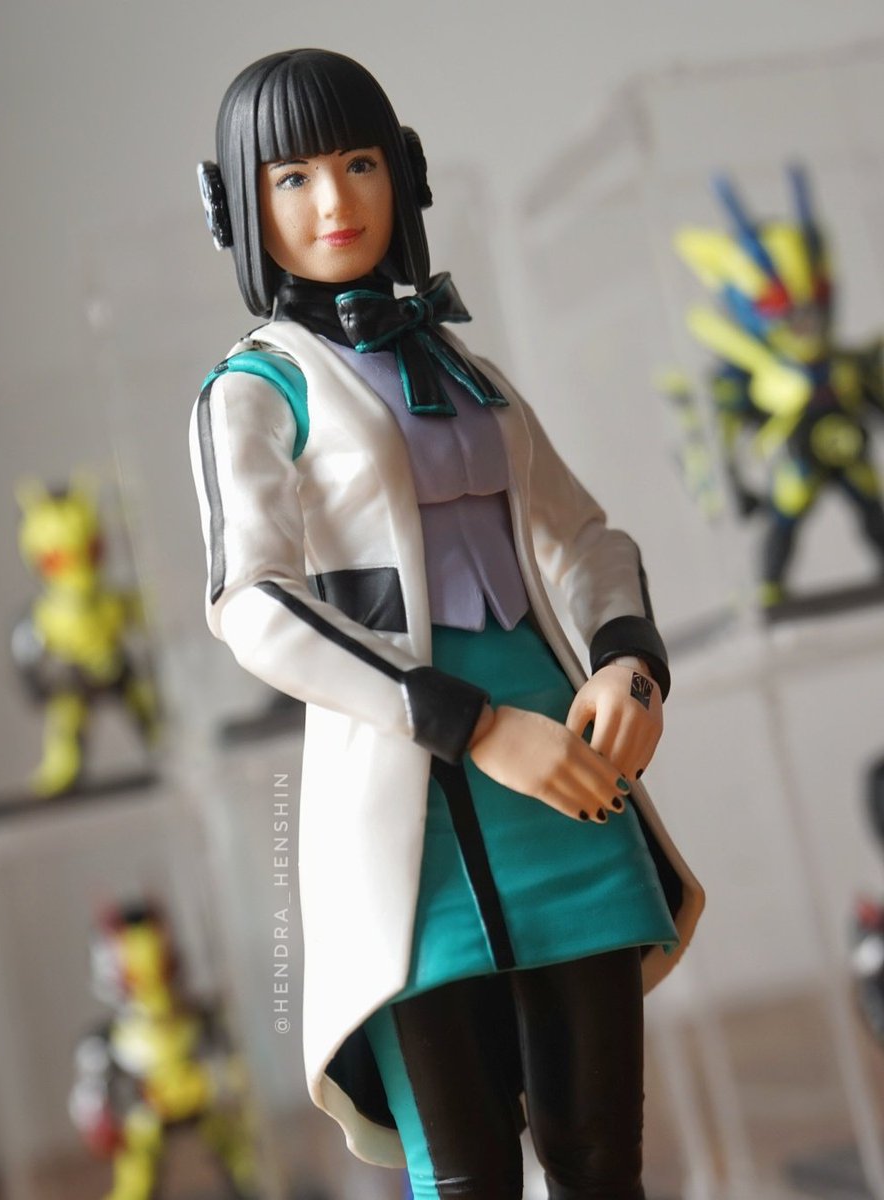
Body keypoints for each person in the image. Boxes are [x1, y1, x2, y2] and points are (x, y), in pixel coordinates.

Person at [190, 48, 703, 1200]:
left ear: (402, 171)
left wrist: (628, 661)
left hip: (565, 774)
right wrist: (467, 723)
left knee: (601, 1156)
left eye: (360, 163)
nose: (335, 201)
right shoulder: (257, 389)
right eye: (293, 178)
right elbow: (253, 602)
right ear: (241, 206)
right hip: (410, 790)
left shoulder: (467, 368)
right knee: (465, 1171)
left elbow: (585, 537)